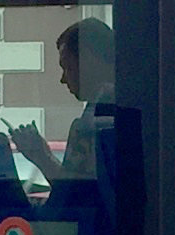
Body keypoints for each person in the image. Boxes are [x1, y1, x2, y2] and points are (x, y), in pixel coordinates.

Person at [8, 19, 116, 185]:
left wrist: (42, 157)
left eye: (67, 67)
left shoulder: (90, 124)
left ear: (88, 60)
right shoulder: (125, 104)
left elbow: (71, 193)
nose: (63, 79)